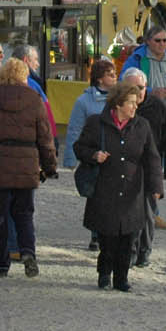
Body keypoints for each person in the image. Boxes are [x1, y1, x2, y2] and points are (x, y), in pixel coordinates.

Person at [0, 57, 57, 278]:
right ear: (24, 76)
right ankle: (27, 251)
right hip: (26, 163)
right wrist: (49, 166)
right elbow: (45, 138)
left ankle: (0, 263)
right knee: (24, 213)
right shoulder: (35, 100)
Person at [74, 80, 164, 292]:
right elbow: (79, 147)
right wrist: (94, 155)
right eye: (131, 102)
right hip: (106, 189)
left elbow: (152, 158)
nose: (135, 106)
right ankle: (105, 275)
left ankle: (121, 278)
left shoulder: (142, 126)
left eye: (135, 102)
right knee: (107, 237)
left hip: (133, 190)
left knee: (129, 236)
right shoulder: (97, 123)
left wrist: (156, 187)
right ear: (118, 104)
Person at [119, 67, 166, 264]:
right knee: (126, 211)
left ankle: (144, 250)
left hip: (150, 167)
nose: (136, 92)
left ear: (146, 88)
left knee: (147, 211)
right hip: (125, 168)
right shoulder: (117, 106)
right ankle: (130, 250)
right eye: (131, 87)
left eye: (140, 87)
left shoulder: (157, 106)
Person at [64, 59, 118, 251]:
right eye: (110, 74)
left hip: (114, 155)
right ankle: (96, 234)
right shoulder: (84, 101)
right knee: (96, 197)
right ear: (99, 79)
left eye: (115, 74)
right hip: (94, 156)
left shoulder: (119, 98)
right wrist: (70, 158)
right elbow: (74, 129)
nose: (115, 77)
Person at [123, 25, 166, 120]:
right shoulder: (136, 59)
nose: (162, 44)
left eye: (165, 40)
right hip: (142, 118)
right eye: (157, 40)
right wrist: (150, 93)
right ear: (148, 41)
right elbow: (124, 85)